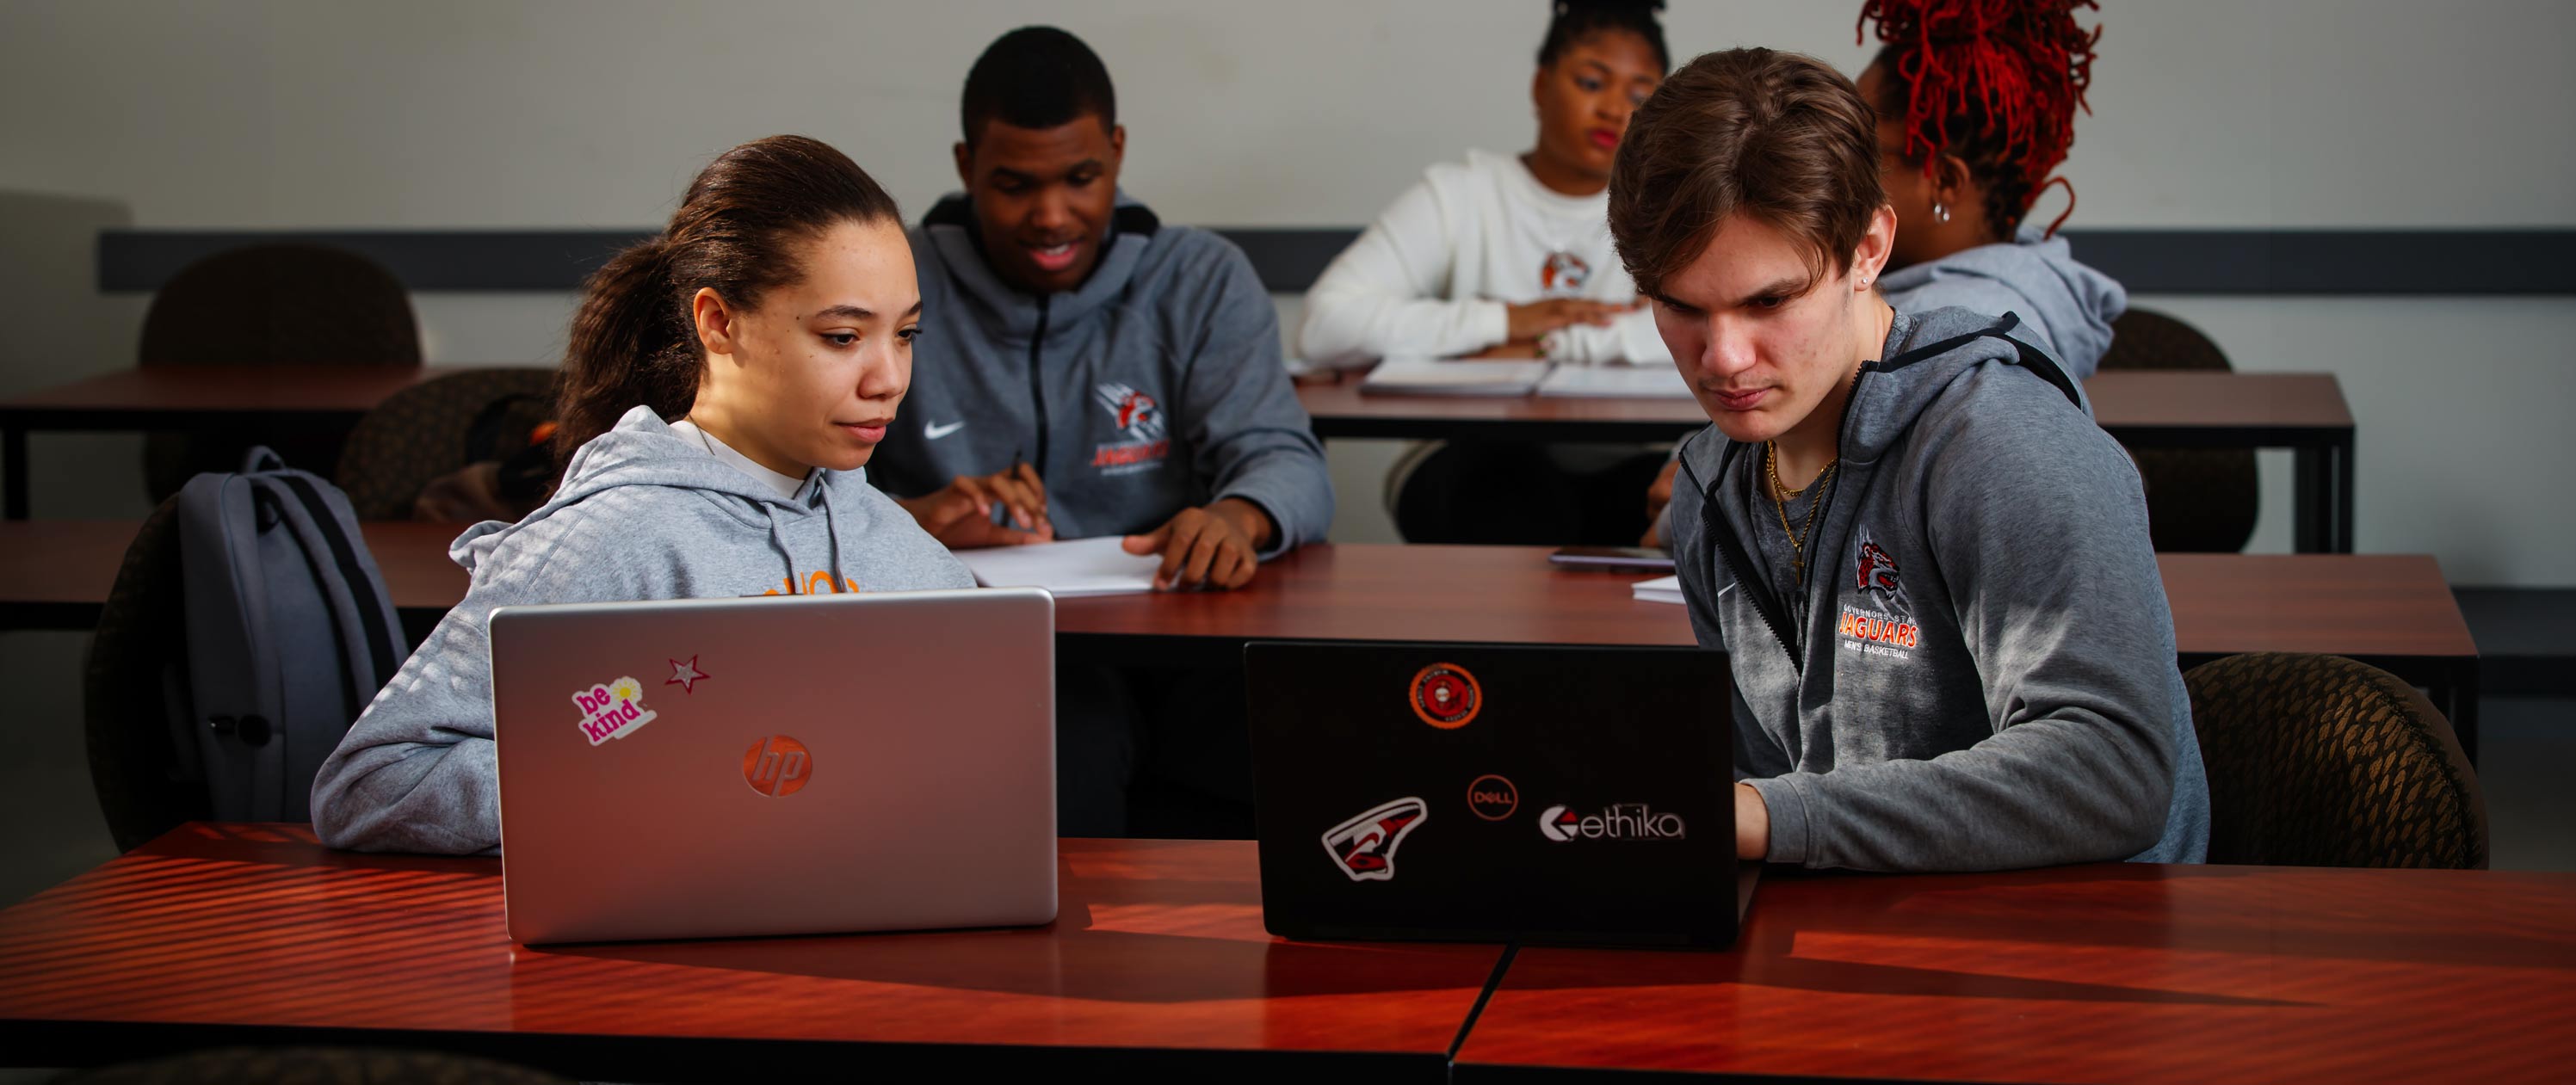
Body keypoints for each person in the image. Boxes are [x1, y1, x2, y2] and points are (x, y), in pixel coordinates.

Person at [1609, 47, 2206, 870]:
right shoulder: (1715, 481)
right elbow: (1771, 786)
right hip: (1868, 924)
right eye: (1680, 307)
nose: (1724, 359)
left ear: (1868, 248)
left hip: (2087, 953)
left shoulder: (1998, 443)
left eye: (1769, 301)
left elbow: (2114, 771)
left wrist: (1769, 816)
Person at [312, 136, 974, 854]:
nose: (889, 378)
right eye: (843, 336)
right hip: (669, 955)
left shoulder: (911, 556)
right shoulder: (612, 538)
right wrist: (649, 775)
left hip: (878, 935)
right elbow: (371, 785)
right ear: (718, 322)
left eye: (904, 334)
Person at [870, 26, 1332, 594]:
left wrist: (1237, 515)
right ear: (967, 167)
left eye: (1081, 179)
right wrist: (911, 519)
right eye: (1014, 186)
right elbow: (801, 486)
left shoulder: (1201, 278)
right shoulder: (888, 279)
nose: (1051, 217)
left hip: (1163, 617)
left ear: (1116, 151)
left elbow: (1288, 461)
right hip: (953, 620)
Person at [1642, 0, 2120, 545]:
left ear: (1942, 181)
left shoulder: (1963, 362)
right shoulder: (2017, 277)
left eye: (1866, 143)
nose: (1830, 160)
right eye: (1682, 304)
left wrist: (1689, 501)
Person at [1300, 0, 1671, 368]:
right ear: (1541, 86)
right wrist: (1504, 321)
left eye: (1639, 96)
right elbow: (1324, 327)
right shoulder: (1459, 195)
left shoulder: (1668, 206)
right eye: (1592, 83)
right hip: (1471, 428)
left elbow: (1711, 332)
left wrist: (1552, 347)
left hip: (1628, 430)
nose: (1614, 109)